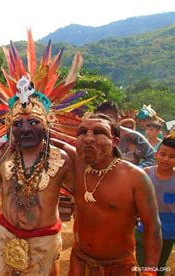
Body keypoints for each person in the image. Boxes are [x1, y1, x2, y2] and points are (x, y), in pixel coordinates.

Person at [0, 32, 86, 275]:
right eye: (18, 124)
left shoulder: (62, 159)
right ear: (10, 127)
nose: (25, 129)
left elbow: (84, 194)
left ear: (47, 124)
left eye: (33, 123)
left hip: (43, 244)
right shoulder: (6, 156)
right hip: (6, 239)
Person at [56, 113, 162, 275]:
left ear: (115, 141)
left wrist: (150, 270)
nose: (88, 138)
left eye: (99, 132)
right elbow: (54, 142)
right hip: (80, 261)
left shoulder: (135, 177)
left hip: (120, 266)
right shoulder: (77, 165)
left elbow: (152, 227)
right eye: (82, 132)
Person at [135, 132, 175, 276]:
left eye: (172, 156)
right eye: (163, 154)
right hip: (143, 228)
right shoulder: (145, 174)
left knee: (159, 266)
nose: (166, 159)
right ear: (156, 154)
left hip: (168, 232)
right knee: (140, 264)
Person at [94, 101, 156, 168]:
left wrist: (136, 170)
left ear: (118, 118)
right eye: (99, 118)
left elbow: (153, 158)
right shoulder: (89, 137)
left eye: (109, 117)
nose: (104, 121)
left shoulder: (133, 136)